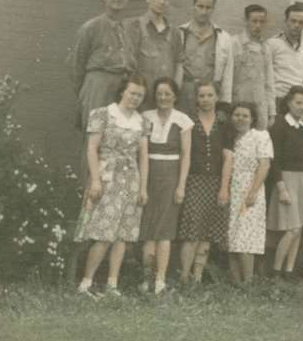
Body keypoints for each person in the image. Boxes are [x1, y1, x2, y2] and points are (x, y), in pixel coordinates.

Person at [75, 74, 149, 296]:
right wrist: (96, 179)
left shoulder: (142, 122)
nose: (135, 98)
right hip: (107, 177)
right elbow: (92, 149)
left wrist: (143, 187)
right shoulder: (103, 114)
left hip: (131, 180)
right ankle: (86, 283)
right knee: (104, 232)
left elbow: (143, 156)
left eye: (140, 95)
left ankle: (112, 284)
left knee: (123, 234)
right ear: (122, 92)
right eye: (132, 93)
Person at [139, 77, 192, 296]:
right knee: (149, 230)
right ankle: (146, 279)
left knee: (165, 231)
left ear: (175, 96)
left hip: (171, 177)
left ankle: (160, 280)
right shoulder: (145, 117)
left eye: (167, 94)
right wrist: (141, 185)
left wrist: (181, 186)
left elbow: (186, 156)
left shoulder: (183, 120)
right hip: (149, 175)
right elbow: (141, 153)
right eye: (159, 93)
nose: (163, 97)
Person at [177, 81, 233, 284]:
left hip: (216, 182)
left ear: (217, 97)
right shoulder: (189, 122)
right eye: (201, 96)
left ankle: (198, 277)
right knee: (192, 230)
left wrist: (224, 187)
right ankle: (184, 276)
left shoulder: (224, 123)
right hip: (194, 180)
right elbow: (185, 154)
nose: (206, 100)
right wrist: (182, 185)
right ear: (196, 98)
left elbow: (228, 158)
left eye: (210, 95)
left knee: (208, 232)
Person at [72, 0, 135, 133]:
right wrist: (87, 94)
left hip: (121, 88)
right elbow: (76, 64)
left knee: (117, 137)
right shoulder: (91, 27)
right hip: (98, 86)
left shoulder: (127, 29)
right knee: (95, 136)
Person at [266, 86, 303, 277]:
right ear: (288, 103)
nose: (301, 107)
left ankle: (289, 270)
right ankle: (276, 271)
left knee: (300, 227)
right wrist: (281, 187)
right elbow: (274, 159)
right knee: (292, 228)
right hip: (285, 178)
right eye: (298, 103)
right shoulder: (279, 125)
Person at [226, 101, 273, 285]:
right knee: (233, 236)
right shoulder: (231, 139)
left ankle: (248, 283)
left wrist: (253, 191)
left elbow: (264, 165)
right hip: (233, 190)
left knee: (246, 237)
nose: (240, 119)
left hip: (250, 190)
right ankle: (236, 283)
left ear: (252, 118)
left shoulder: (260, 136)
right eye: (237, 115)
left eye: (245, 115)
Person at [125, 0, 181, 110]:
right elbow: (129, 64)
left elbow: (179, 63)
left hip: (163, 99)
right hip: (140, 98)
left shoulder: (174, 32)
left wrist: (174, 92)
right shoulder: (135, 26)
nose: (162, 1)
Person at [178, 0, 233, 114]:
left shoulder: (223, 37)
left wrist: (224, 104)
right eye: (200, 6)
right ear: (193, 6)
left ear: (213, 9)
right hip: (185, 90)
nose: (204, 11)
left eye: (208, 7)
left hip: (209, 92)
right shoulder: (180, 33)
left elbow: (227, 75)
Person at [231, 5, 276, 129]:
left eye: (262, 22)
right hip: (238, 106)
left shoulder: (266, 48)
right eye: (254, 21)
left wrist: (271, 112)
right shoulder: (234, 43)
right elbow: (227, 78)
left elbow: (269, 82)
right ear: (246, 21)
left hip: (259, 108)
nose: (258, 26)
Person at [267, 4, 303, 112]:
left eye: (301, 22)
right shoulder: (272, 44)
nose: (296, 25)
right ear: (285, 21)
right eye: (293, 21)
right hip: (278, 101)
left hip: (297, 103)